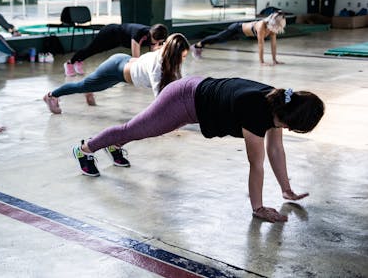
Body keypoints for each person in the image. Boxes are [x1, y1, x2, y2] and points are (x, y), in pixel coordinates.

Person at [71, 76, 325, 223]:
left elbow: (276, 151)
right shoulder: (257, 110)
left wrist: (285, 189)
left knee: (140, 130)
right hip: (182, 98)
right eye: (294, 127)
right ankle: (85, 149)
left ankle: (114, 145)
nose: (289, 131)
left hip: (195, 95)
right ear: (291, 120)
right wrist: (258, 208)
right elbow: (256, 164)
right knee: (134, 130)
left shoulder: (279, 103)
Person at [43, 33, 190, 115]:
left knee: (97, 86)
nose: (184, 59)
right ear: (173, 54)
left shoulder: (168, 58)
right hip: (115, 69)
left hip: (123, 65)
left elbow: (178, 84)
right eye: (182, 56)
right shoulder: (157, 66)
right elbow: (161, 99)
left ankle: (90, 89)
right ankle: (51, 96)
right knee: (81, 85)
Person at [63, 23, 168, 76]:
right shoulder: (139, 33)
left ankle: (79, 61)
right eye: (155, 41)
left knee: (97, 51)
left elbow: (153, 53)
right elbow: (136, 59)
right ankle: (70, 63)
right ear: (150, 34)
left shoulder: (157, 35)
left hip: (118, 41)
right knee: (92, 49)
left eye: (159, 42)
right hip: (110, 33)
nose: (156, 44)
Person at [194, 10, 286, 66]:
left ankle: (200, 46)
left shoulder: (273, 29)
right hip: (236, 29)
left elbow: (273, 45)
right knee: (218, 38)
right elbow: (260, 45)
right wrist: (262, 62)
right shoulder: (261, 26)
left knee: (219, 40)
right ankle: (197, 45)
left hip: (241, 34)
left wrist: (275, 60)